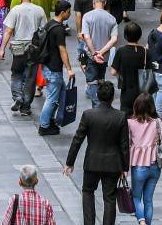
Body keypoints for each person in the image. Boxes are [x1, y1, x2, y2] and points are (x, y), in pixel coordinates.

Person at [62, 79, 127, 225]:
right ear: (112, 98)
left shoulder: (88, 115)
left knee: (88, 192)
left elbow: (77, 139)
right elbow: (124, 145)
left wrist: (69, 163)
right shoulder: (121, 116)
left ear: (97, 95)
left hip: (92, 162)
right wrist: (125, 167)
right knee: (109, 198)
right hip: (113, 163)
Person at [126, 94, 162, 224]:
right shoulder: (157, 122)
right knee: (148, 200)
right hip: (155, 167)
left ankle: (141, 222)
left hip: (138, 167)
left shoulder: (130, 123)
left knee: (136, 197)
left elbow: (126, 144)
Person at [34, 2, 77, 135]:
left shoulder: (49, 24)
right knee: (52, 98)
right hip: (54, 69)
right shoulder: (59, 30)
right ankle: (44, 125)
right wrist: (69, 68)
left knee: (60, 94)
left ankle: (51, 121)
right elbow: (62, 49)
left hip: (47, 66)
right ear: (63, 12)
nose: (70, 14)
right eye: (69, 12)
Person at [4, 0, 47, 115]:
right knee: (30, 78)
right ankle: (25, 107)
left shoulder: (16, 10)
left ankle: (17, 97)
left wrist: (1, 49)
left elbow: (8, 31)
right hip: (33, 48)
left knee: (16, 74)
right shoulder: (39, 10)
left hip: (18, 48)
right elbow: (43, 31)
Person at [79, 0, 118, 82]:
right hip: (104, 56)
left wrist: (95, 54)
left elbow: (87, 37)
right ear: (105, 3)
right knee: (101, 78)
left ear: (93, 3)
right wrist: (101, 53)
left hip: (91, 56)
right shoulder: (112, 19)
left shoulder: (87, 17)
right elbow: (114, 39)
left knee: (92, 81)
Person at [112, 20, 148, 118]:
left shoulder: (121, 51)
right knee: (142, 117)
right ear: (140, 36)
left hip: (126, 91)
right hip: (142, 92)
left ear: (125, 36)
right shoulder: (145, 51)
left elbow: (113, 72)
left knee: (126, 119)